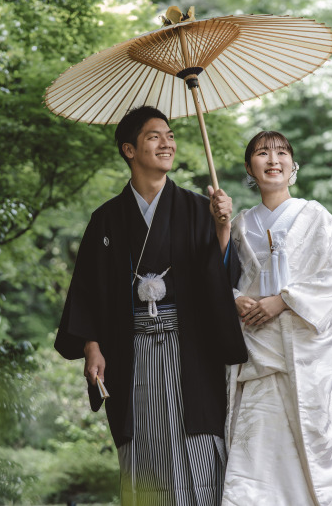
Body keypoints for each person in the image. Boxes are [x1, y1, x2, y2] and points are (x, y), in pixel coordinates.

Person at [54, 106, 247, 505]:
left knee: (200, 451)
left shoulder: (200, 209)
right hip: (130, 351)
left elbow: (224, 279)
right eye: (154, 136)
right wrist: (92, 347)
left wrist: (223, 228)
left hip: (189, 350)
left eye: (171, 135)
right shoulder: (106, 219)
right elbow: (87, 291)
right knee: (144, 449)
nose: (168, 143)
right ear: (129, 149)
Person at [222, 130, 332, 506]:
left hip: (305, 351)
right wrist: (236, 300)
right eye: (262, 153)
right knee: (257, 453)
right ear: (250, 168)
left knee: (308, 450)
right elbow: (220, 280)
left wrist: (282, 301)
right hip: (258, 352)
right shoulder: (237, 225)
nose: (272, 159)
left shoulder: (316, 217)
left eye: (281, 152)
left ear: (292, 166)